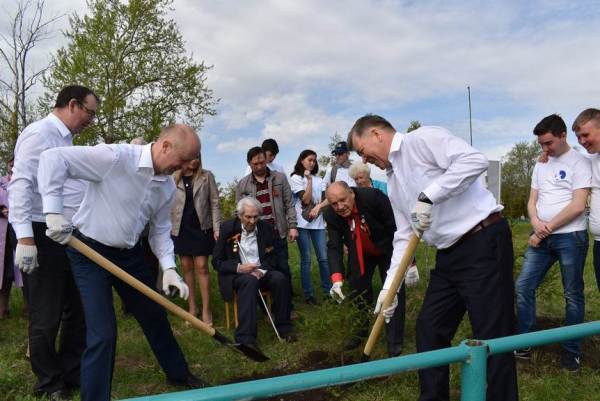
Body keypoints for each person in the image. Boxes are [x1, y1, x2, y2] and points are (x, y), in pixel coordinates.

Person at [347, 114, 517, 401]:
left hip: (482, 242)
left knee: (492, 335)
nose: (365, 160)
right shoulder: (392, 180)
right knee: (429, 328)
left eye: (363, 151)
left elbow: (474, 161)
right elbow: (404, 235)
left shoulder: (421, 140)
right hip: (448, 256)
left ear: (376, 133)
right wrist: (390, 289)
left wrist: (429, 196)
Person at [37, 124, 208, 401]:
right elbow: (53, 159)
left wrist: (170, 268)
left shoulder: (166, 186)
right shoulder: (116, 158)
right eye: (183, 159)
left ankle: (179, 374)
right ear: (165, 146)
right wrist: (53, 211)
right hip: (88, 253)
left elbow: (160, 229)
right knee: (103, 333)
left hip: (128, 256)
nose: (186, 166)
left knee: (155, 316)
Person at [8, 85, 94, 400]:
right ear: (73, 105)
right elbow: (21, 184)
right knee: (46, 312)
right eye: (90, 112)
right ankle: (49, 381)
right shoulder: (39, 134)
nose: (91, 120)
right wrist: (25, 238)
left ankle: (71, 371)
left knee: (78, 307)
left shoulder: (66, 141)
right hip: (40, 232)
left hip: (67, 233)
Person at [515, 114, 590, 371]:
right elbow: (532, 199)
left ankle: (572, 353)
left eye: (548, 143)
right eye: (541, 145)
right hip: (542, 237)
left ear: (562, 136)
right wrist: (535, 220)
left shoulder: (580, 161)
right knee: (524, 286)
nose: (544, 149)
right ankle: (524, 343)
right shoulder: (541, 163)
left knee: (573, 294)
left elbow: (578, 206)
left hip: (571, 237)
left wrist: (544, 230)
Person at [324, 182, 415, 356]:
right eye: (334, 203)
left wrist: (410, 262)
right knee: (357, 289)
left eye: (343, 200)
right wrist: (336, 279)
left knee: (393, 291)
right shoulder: (330, 214)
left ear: (352, 194)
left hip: (389, 248)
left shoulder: (373, 198)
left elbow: (397, 227)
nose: (340, 207)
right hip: (360, 251)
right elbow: (334, 247)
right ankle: (359, 332)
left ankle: (394, 340)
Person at [212, 197, 295, 349]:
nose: (252, 221)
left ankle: (284, 327)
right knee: (248, 281)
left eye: (255, 216)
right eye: (248, 217)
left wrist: (260, 271)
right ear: (239, 215)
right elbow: (216, 262)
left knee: (280, 279)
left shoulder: (266, 228)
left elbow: (273, 257)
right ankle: (246, 338)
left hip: (260, 272)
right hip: (237, 275)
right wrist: (239, 267)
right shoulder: (227, 228)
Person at [236, 147, 298, 294]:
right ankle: (264, 305)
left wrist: (293, 226)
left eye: (262, 163)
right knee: (263, 270)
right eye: (255, 164)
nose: (259, 167)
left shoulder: (280, 178)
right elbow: (239, 211)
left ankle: (287, 306)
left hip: (279, 232)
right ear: (249, 164)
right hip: (257, 237)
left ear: (266, 160)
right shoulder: (242, 184)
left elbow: (289, 203)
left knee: (283, 268)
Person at [171, 151, 221, 325]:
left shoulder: (207, 177)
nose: (195, 160)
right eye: (191, 157)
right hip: (181, 228)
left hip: (201, 228)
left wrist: (217, 227)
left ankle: (207, 310)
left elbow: (215, 203)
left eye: (198, 157)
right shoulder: (173, 178)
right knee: (186, 267)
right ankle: (192, 308)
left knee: (202, 267)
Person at [289, 150, 331, 304]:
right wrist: (309, 180)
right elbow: (305, 200)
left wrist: (319, 206)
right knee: (306, 259)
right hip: (302, 224)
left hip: (319, 224)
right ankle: (308, 295)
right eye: (309, 160)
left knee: (324, 258)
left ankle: (329, 292)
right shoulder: (296, 178)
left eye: (314, 160)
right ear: (302, 161)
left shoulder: (320, 179)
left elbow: (328, 199)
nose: (312, 163)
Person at [575, 109, 600, 293]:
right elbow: (566, 153)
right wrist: (548, 155)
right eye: (578, 137)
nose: (582, 141)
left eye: (585, 135)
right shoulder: (591, 159)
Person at [0, 157, 24, 318]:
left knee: (25, 268)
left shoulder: (25, 181)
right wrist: (1, 210)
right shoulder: (1, 183)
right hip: (3, 233)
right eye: (11, 164)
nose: (13, 167)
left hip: (22, 231)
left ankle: (30, 308)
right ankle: (2, 309)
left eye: (16, 164)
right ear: (7, 165)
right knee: (4, 272)